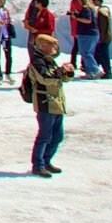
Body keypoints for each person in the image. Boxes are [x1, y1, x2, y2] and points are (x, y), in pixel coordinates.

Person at [20, 33, 73, 175]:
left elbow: (60, 79)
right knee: (44, 135)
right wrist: (60, 72)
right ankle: (38, 165)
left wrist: (67, 73)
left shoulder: (49, 60)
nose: (54, 48)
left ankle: (46, 161)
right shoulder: (37, 62)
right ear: (43, 46)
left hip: (56, 103)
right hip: (45, 103)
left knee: (57, 136)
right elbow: (45, 78)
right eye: (51, 45)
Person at [68, 0, 98, 78]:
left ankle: (94, 70)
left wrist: (76, 18)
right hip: (90, 33)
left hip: (86, 34)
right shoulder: (91, 8)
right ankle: (90, 72)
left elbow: (88, 20)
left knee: (85, 53)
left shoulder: (86, 8)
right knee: (86, 53)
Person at [92, 0, 112, 81]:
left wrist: (101, 37)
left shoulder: (101, 12)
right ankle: (96, 70)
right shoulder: (105, 9)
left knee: (103, 55)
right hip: (106, 36)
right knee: (99, 54)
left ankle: (107, 72)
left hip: (104, 37)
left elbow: (102, 26)